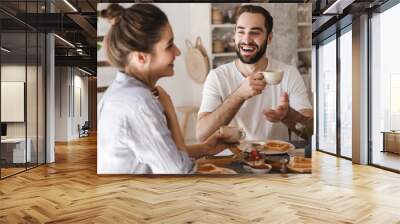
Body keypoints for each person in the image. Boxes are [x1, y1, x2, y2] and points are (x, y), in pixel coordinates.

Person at [97, 4, 235, 174]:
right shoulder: (138, 103)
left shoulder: (122, 93)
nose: (177, 52)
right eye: (169, 45)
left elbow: (166, 155)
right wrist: (169, 110)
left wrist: (205, 148)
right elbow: (180, 171)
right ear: (141, 57)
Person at [197, 5, 313, 143]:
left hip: (276, 159)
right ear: (234, 35)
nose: (246, 39)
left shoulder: (288, 74)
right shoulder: (217, 77)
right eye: (241, 32)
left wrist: (288, 116)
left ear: (269, 38)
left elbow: (311, 133)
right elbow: (202, 135)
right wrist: (239, 95)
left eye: (255, 32)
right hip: (229, 161)